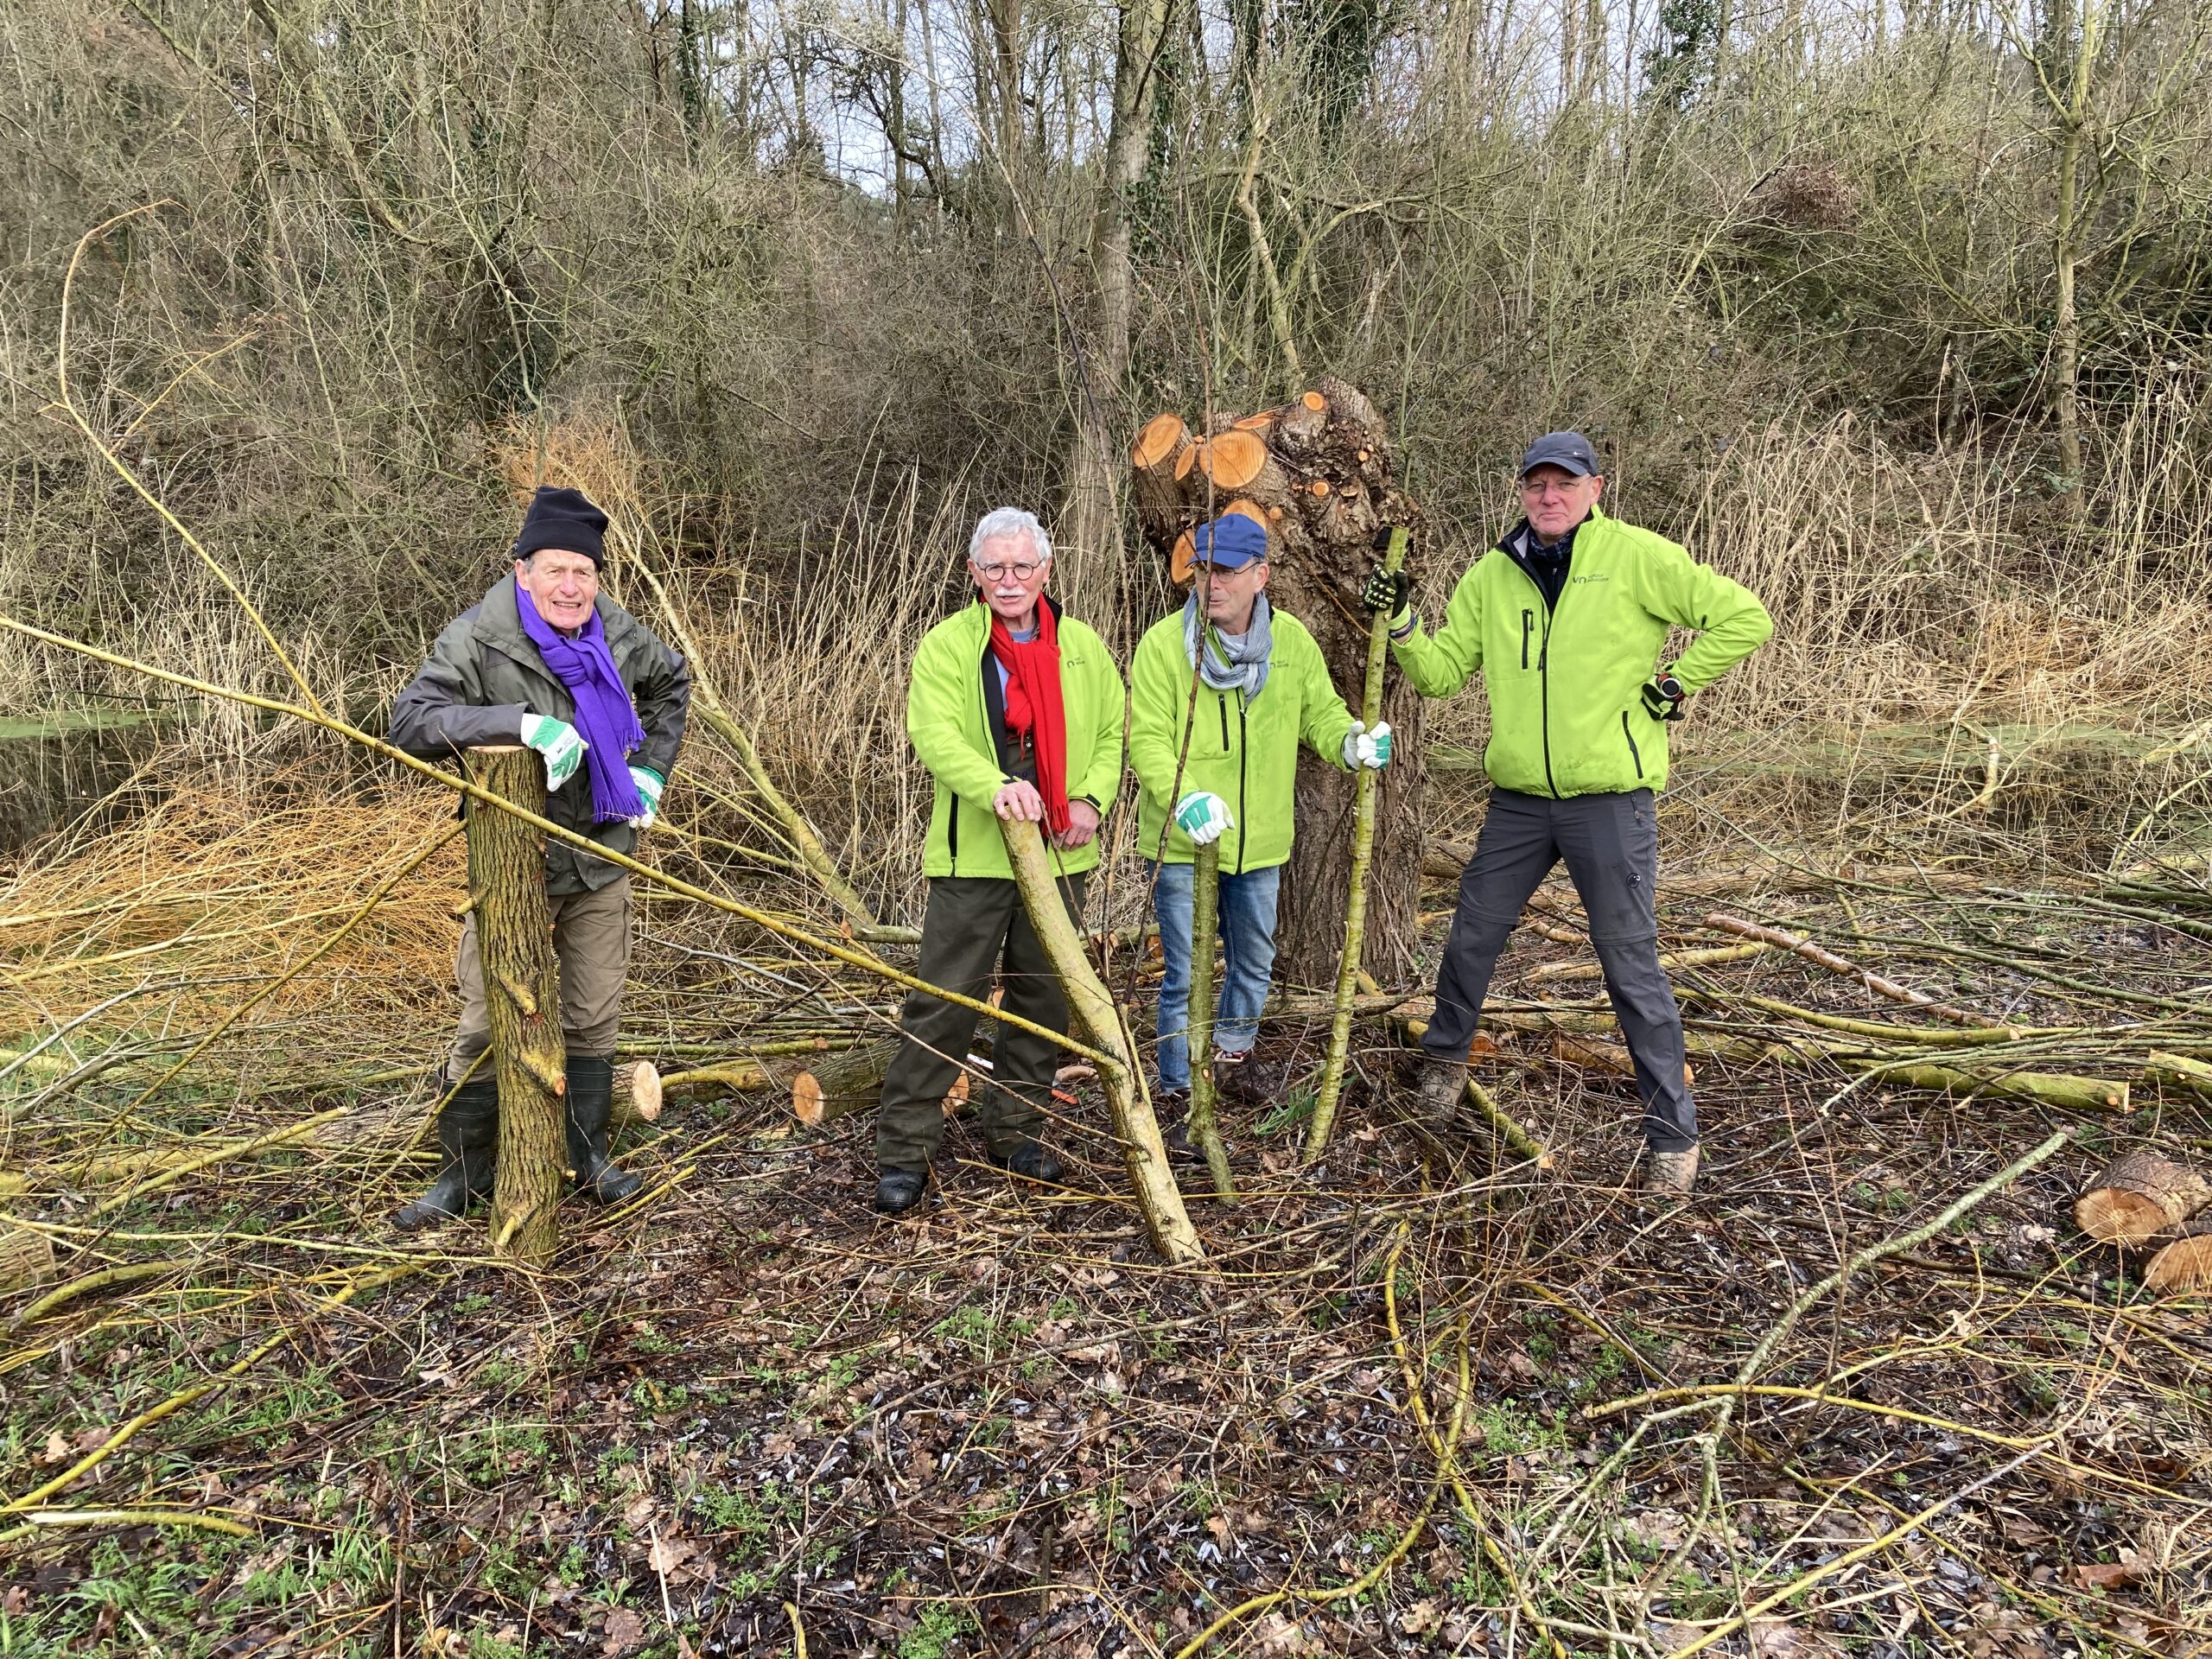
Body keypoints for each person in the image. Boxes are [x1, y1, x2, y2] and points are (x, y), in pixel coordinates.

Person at [1364, 432, 1771, 1193]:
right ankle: (1443, 1074)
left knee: (1629, 963)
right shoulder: (1493, 575)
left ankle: (1673, 1135)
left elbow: (1745, 617)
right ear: (1521, 491)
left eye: (1565, 483)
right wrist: (1405, 623)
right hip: (1519, 802)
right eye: (1536, 484)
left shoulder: (1636, 557)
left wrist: (1677, 682)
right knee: (1471, 936)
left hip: (1609, 800)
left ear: (1595, 489)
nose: (1549, 497)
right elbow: (1442, 676)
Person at [388, 486, 690, 1228]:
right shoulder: (477, 637)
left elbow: (671, 684)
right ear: (522, 571)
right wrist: (516, 725)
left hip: (601, 855)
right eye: (555, 569)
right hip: (512, 866)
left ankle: (586, 1156)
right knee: (486, 1022)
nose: (570, 587)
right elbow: (411, 722)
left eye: (584, 572)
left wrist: (650, 770)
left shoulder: (616, 631)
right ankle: (462, 1174)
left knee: (592, 1016)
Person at [873, 508, 1126, 1217]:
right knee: (944, 1001)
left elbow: (1113, 731)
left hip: (1062, 855)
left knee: (1042, 999)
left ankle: (1016, 1132)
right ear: (974, 573)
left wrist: (1091, 799)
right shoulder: (949, 645)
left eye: (1022, 566)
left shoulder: (1083, 647)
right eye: (994, 567)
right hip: (974, 858)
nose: (1009, 580)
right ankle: (905, 1152)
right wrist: (994, 787)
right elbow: (934, 734)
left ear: (1046, 569)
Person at [1128, 513, 1390, 1151]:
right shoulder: (1165, 646)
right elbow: (1148, 740)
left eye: (1226, 571)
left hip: (1261, 842)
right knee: (1186, 972)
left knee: (1253, 961)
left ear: (1261, 576)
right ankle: (1179, 1088)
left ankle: (1232, 1059)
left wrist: (1351, 743)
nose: (1211, 584)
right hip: (1187, 842)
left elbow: (1321, 715)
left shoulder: (1291, 642)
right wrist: (1187, 797)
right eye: (1202, 571)